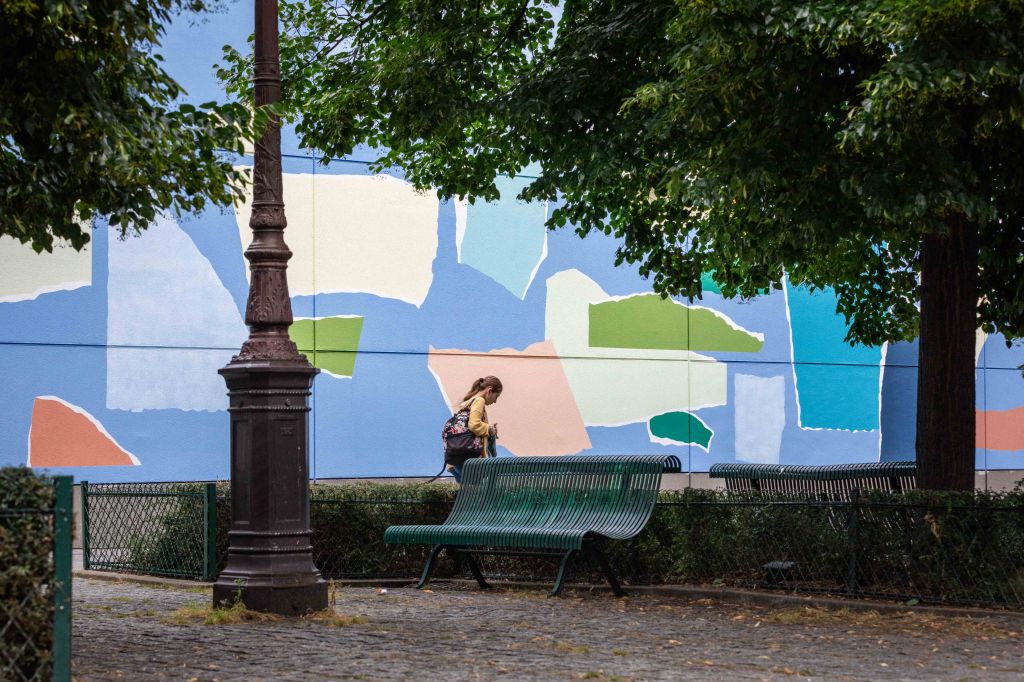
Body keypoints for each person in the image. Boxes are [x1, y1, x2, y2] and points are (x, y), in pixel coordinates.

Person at [447, 376, 502, 483]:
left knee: (468, 495)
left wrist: (488, 429)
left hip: (457, 458)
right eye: (496, 396)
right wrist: (489, 429)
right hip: (470, 459)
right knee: (479, 493)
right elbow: (474, 425)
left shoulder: (467, 402)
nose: (495, 401)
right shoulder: (479, 400)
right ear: (489, 391)